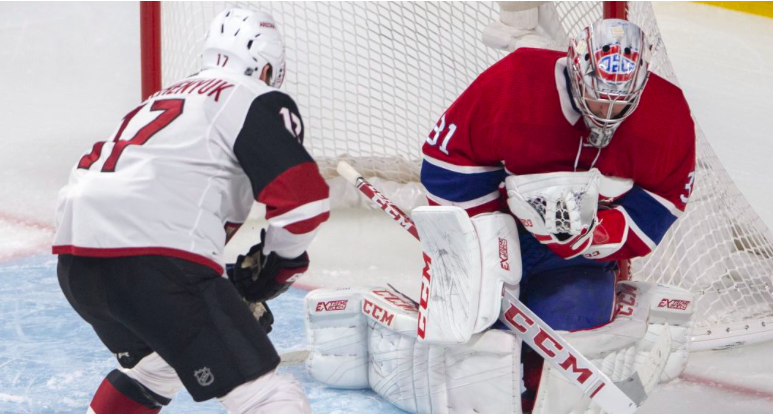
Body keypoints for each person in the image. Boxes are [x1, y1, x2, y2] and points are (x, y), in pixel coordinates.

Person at [53, 8, 328, 414]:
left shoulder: (159, 98)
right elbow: (303, 202)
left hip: (77, 263)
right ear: (267, 68)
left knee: (154, 369)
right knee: (267, 397)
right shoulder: (252, 95)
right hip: (154, 261)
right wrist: (276, 266)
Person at [421, 18, 695, 411]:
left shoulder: (666, 117)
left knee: (574, 319)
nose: (608, 111)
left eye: (622, 101)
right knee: (473, 338)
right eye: (599, 97)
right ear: (576, 69)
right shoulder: (516, 83)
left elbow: (667, 196)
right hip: (500, 228)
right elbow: (444, 163)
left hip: (573, 255)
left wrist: (602, 235)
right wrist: (486, 244)